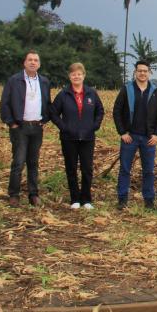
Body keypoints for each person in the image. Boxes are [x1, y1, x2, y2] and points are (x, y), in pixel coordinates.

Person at [0, 50, 51, 207]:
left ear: (39, 64)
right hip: (20, 127)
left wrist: (45, 119)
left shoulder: (44, 81)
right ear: (24, 62)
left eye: (36, 60)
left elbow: (48, 103)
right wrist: (11, 123)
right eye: (30, 60)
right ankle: (14, 195)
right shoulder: (14, 80)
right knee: (19, 161)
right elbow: (5, 103)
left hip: (37, 127)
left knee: (33, 162)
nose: (33, 62)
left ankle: (33, 194)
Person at [50, 63, 105, 210]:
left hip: (87, 138)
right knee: (71, 168)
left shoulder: (91, 93)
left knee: (87, 169)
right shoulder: (63, 94)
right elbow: (53, 113)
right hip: (69, 138)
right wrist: (64, 127)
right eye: (73, 74)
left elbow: (100, 111)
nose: (76, 76)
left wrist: (95, 126)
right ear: (69, 76)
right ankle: (75, 198)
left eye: (79, 74)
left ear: (84, 75)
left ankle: (86, 199)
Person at [112, 60, 157, 210]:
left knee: (148, 170)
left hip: (148, 138)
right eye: (140, 70)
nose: (142, 73)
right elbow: (117, 111)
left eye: (145, 71)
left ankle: (149, 200)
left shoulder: (155, 91)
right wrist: (122, 132)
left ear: (149, 73)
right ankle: (122, 199)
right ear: (135, 72)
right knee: (125, 169)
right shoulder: (127, 89)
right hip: (131, 137)